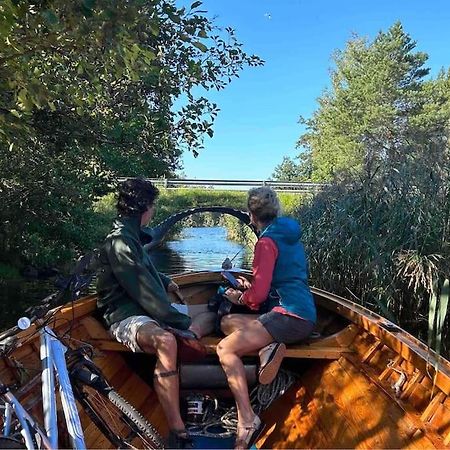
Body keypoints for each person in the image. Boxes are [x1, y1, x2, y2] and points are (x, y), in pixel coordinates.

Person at [96, 178, 211, 449]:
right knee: (166, 341)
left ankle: (189, 334)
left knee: (210, 312)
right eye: (153, 205)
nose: (155, 210)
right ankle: (178, 432)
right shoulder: (120, 242)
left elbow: (144, 271)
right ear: (144, 207)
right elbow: (143, 291)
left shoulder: (130, 237)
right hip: (124, 315)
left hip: (146, 311)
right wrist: (178, 321)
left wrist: (166, 280)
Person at [216, 186, 316, 450]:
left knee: (225, 348)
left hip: (289, 317)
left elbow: (258, 297)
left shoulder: (265, 242)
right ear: (276, 210)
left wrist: (239, 298)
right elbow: (279, 279)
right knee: (227, 324)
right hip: (304, 314)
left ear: (252, 215)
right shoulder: (290, 235)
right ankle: (268, 348)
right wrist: (253, 288)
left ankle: (247, 420)